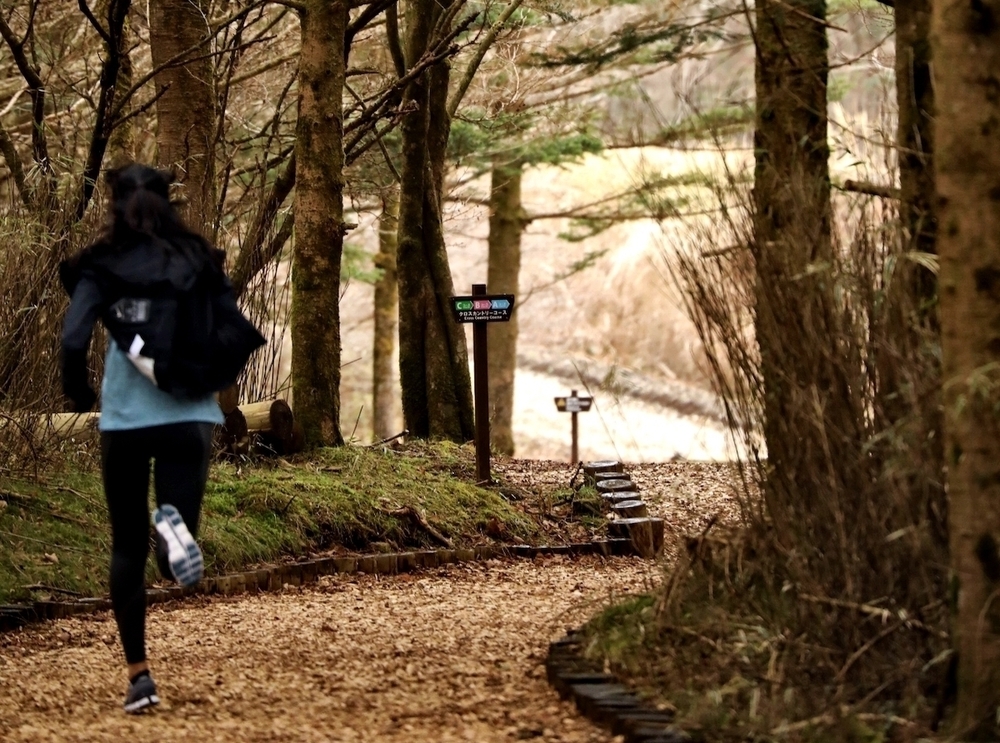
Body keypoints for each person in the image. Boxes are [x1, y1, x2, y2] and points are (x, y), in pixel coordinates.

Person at [60, 164, 255, 714]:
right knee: (175, 552)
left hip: (125, 421)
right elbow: (228, 326)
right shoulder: (196, 258)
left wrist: (77, 394)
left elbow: (74, 339)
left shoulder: (101, 266)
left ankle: (139, 677)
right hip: (189, 417)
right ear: (168, 202)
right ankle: (171, 532)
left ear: (115, 205)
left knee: (125, 546)